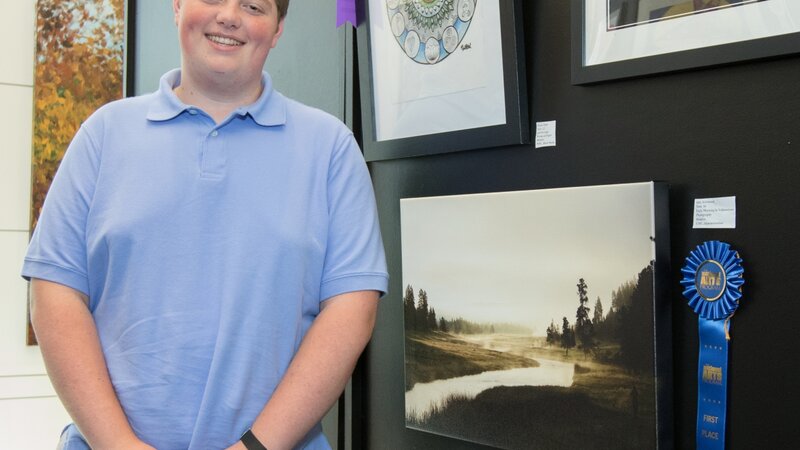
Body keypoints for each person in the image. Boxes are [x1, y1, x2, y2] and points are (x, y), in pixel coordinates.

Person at [22, 0, 388, 448]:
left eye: (254, 6)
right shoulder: (103, 135)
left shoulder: (331, 149)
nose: (229, 16)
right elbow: (54, 294)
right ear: (177, 7)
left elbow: (351, 311)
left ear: (278, 29)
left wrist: (252, 448)